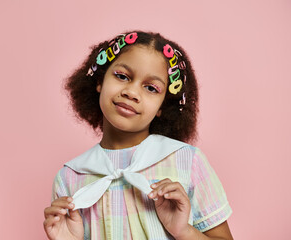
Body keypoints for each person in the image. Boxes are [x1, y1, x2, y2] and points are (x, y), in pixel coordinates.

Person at [43, 31, 233, 240]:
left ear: (163, 106)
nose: (131, 92)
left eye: (151, 88)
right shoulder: (70, 177)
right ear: (100, 80)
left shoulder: (188, 161)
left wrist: (184, 231)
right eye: (122, 76)